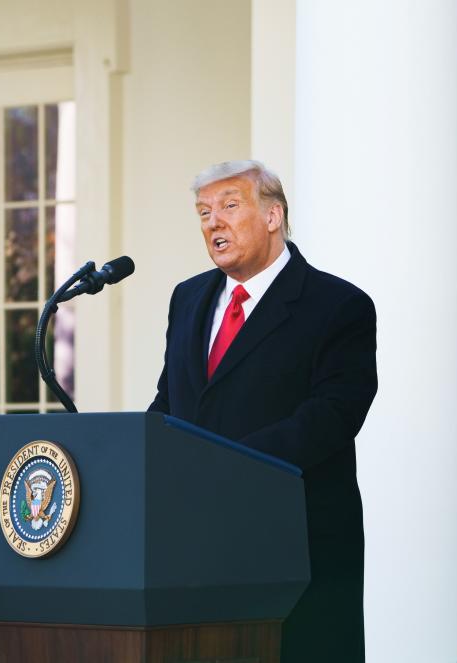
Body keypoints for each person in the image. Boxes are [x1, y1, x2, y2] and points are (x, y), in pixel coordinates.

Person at [148, 160, 377, 662]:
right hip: (197, 542)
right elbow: (170, 398)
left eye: (230, 206)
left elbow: (334, 414)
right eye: (204, 211)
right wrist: (142, 456)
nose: (213, 222)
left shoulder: (338, 304)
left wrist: (228, 465)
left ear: (273, 216)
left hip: (296, 540)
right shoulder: (187, 298)